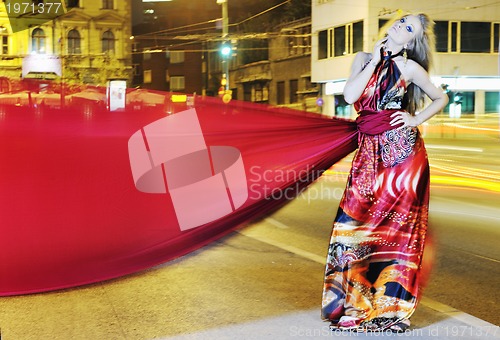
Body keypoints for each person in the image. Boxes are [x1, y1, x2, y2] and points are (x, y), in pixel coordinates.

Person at [321, 13, 448, 332]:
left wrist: (416, 120)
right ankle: (354, 303)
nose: (401, 27)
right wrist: (374, 59)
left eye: (410, 29)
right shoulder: (364, 58)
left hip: (403, 155)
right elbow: (351, 97)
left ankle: (390, 309)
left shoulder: (409, 67)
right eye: (402, 21)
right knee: (354, 226)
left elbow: (440, 97)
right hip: (368, 153)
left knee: (396, 232)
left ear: (413, 41)